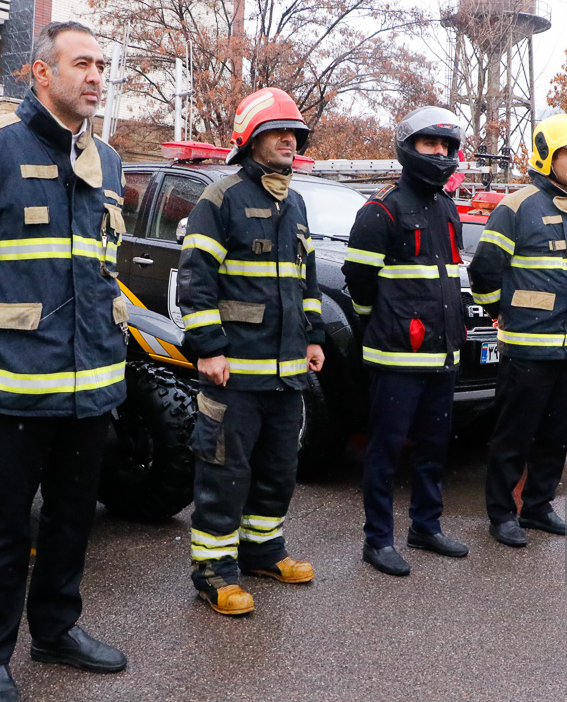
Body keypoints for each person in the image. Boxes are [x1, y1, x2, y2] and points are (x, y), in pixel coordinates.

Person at [0, 21, 128, 702]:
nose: (95, 77)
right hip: (11, 381)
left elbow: (101, 267)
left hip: (90, 383)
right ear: (42, 72)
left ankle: (57, 631)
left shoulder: (108, 161)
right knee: (5, 525)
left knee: (71, 520)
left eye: (101, 66)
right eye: (82, 63)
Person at [177, 87, 325, 614]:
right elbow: (195, 282)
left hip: (286, 375)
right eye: (277, 131)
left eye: (295, 133)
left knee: (278, 468)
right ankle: (214, 571)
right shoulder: (221, 199)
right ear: (250, 139)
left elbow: (306, 280)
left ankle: (263, 550)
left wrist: (313, 336)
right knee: (224, 473)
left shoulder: (296, 202)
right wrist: (209, 349)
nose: (289, 140)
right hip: (234, 374)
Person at [343, 107, 468, 575]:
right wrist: (387, 323)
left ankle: (425, 527)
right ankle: (377, 540)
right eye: (430, 143)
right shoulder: (382, 208)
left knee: (433, 448)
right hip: (396, 356)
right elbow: (359, 282)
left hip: (442, 354)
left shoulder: (447, 207)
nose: (439, 152)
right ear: (407, 147)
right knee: (385, 450)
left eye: (446, 145)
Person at [467, 114, 567, 545]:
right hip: (527, 348)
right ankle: (502, 514)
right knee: (513, 437)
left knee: (555, 437)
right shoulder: (517, 206)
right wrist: (498, 312)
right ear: (547, 157)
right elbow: (484, 270)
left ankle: (538, 507)